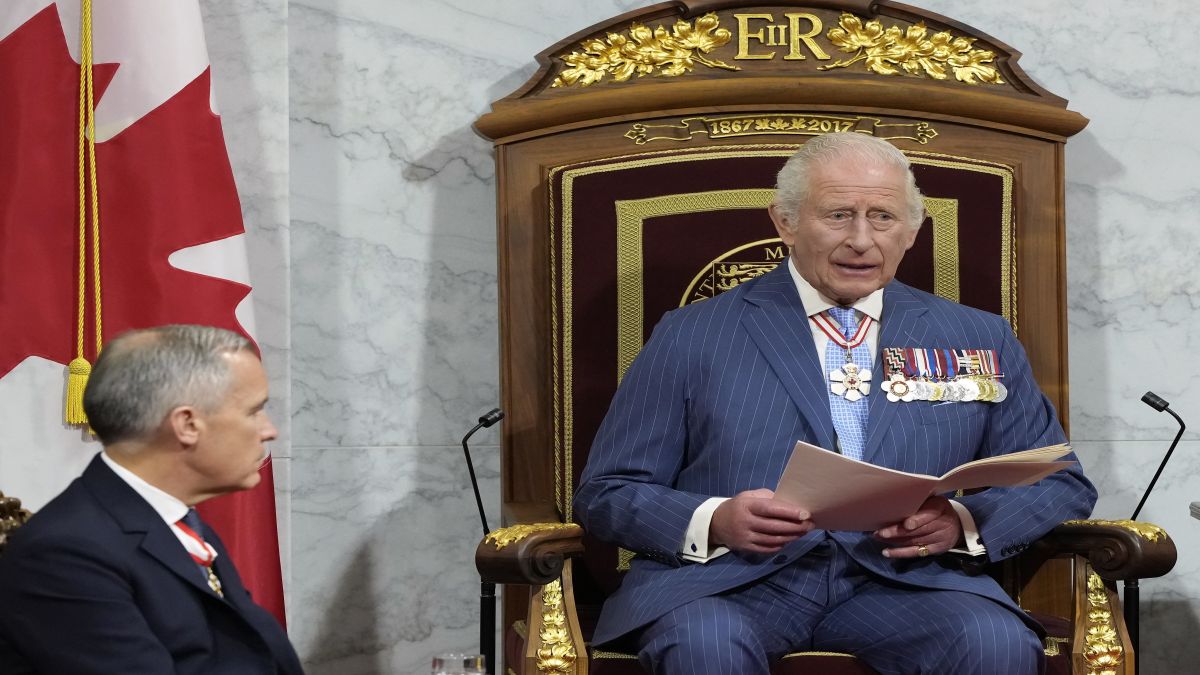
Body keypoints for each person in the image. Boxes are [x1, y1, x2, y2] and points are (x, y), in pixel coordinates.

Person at [573, 132, 1097, 675]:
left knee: (994, 640)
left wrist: (963, 522)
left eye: (883, 217)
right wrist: (716, 519)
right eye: (839, 215)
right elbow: (607, 492)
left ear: (912, 231)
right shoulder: (691, 333)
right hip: (729, 582)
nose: (862, 240)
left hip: (903, 584)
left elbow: (1058, 479)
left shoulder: (977, 336)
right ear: (785, 222)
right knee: (704, 644)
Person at [0, 325, 304, 675]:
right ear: (187, 424)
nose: (269, 431)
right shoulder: (64, 554)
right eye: (254, 411)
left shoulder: (179, 522)